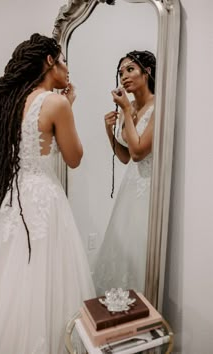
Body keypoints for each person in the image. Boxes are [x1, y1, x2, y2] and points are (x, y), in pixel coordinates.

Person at [0, 33, 95, 354]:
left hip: (15, 199)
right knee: (47, 278)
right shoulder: (56, 102)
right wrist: (68, 108)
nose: (67, 68)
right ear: (49, 61)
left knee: (12, 280)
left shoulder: (11, 102)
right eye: (63, 60)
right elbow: (74, 158)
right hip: (44, 199)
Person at [93, 50, 156, 296]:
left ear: (147, 71)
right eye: (121, 72)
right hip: (129, 189)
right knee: (123, 251)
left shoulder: (157, 106)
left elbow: (140, 152)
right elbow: (125, 156)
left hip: (149, 189)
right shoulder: (127, 109)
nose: (124, 77)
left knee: (139, 251)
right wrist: (110, 131)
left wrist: (127, 111)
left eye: (130, 69)